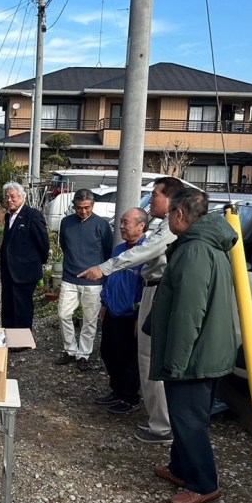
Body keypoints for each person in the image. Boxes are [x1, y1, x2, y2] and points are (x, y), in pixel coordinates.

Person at [147, 188, 237, 503]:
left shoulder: (195, 250)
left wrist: (177, 360)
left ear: (180, 214)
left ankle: (203, 483)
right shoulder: (206, 244)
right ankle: (181, 468)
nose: (168, 219)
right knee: (185, 415)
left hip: (195, 355)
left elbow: (189, 311)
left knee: (189, 419)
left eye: (170, 213)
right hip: (208, 349)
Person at [79, 176, 185, 444]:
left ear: (170, 200)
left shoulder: (168, 230)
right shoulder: (163, 227)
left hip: (154, 294)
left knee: (146, 360)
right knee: (123, 354)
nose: (151, 199)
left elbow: (143, 253)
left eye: (155, 194)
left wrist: (103, 268)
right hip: (137, 299)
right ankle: (156, 419)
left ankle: (160, 425)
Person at [94, 208, 148, 415]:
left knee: (129, 358)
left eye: (126, 223)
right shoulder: (118, 249)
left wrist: (139, 315)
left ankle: (130, 397)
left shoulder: (146, 252)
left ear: (141, 226)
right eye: (121, 222)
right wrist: (104, 304)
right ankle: (116, 390)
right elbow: (110, 280)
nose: (122, 227)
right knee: (108, 352)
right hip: (113, 311)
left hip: (131, 316)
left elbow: (145, 287)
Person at [56, 189, 113, 368]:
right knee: (63, 314)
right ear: (74, 206)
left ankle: (84, 354)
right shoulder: (66, 222)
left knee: (90, 319)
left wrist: (99, 272)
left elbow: (107, 250)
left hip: (93, 281)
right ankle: (70, 350)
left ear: (92, 205)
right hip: (70, 276)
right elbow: (64, 245)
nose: (83, 211)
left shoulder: (102, 225)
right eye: (79, 207)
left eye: (87, 207)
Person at [0, 181, 50, 331]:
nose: (9, 200)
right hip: (8, 272)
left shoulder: (33, 215)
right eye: (7, 197)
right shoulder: (9, 216)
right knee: (8, 308)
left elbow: (43, 244)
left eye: (13, 196)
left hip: (25, 272)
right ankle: (9, 336)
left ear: (22, 197)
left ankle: (21, 340)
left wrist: (36, 263)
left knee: (22, 310)